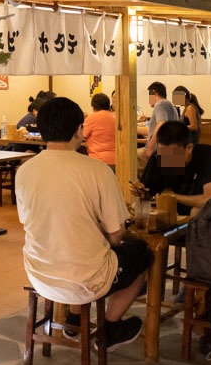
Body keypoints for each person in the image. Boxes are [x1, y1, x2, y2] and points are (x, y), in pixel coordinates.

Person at [15, 97, 150, 350]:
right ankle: (110, 327)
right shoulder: (97, 170)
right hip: (88, 278)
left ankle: (74, 320)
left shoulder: (24, 171)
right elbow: (116, 233)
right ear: (79, 130)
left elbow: (28, 220)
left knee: (79, 251)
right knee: (141, 255)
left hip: (39, 275)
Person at [132, 120, 211, 218]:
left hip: (201, 216)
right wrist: (140, 191)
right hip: (168, 213)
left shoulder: (208, 155)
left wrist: (173, 197)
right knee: (137, 209)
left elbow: (210, 199)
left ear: (189, 148)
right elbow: (148, 195)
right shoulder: (157, 158)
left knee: (197, 212)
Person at [139, 82, 181, 161]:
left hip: (158, 152)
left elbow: (161, 125)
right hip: (172, 152)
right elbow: (152, 130)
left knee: (127, 157)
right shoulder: (170, 105)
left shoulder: (160, 104)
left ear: (154, 93)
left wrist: (150, 147)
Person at [83, 92, 116, 169]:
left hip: (98, 161)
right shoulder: (115, 117)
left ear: (93, 106)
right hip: (118, 160)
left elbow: (81, 136)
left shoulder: (92, 118)